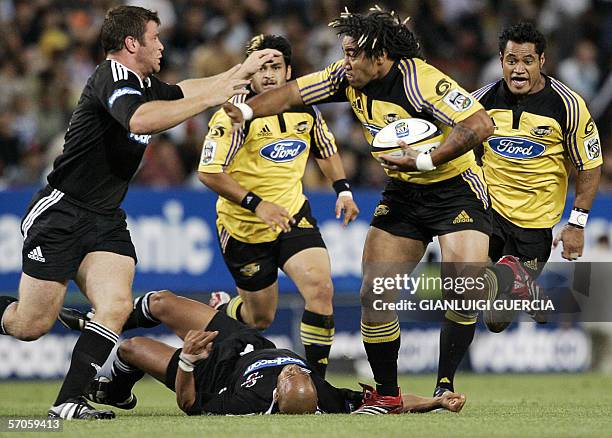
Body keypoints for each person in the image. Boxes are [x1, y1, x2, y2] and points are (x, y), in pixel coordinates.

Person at [223, 7, 536, 414]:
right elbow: (293, 93)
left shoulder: (420, 81)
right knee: (376, 294)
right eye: (345, 52)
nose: (345, 61)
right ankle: (388, 395)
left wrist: (426, 160)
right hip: (404, 192)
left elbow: (479, 124)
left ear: (380, 55)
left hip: (455, 188)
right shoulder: (344, 76)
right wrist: (247, 110)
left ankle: (448, 379)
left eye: (354, 53)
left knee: (461, 287)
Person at [0, 5, 281, 420]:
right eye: (155, 38)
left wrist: (237, 74)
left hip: (105, 216)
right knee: (30, 325)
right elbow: (142, 119)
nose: (162, 46)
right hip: (61, 211)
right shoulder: (112, 78)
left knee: (115, 304)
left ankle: (67, 402)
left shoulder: (142, 83)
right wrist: (216, 95)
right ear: (132, 44)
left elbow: (184, 90)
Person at [198, 34, 359, 378]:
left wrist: (343, 190)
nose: (268, 74)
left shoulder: (305, 108)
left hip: (292, 215)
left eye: (275, 66)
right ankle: (224, 309)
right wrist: (257, 205)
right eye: (261, 67)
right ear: (249, 73)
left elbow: (325, 150)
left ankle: (316, 382)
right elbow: (208, 173)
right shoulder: (235, 114)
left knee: (321, 288)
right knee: (261, 318)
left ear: (288, 71)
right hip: (245, 226)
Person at [61, 291, 467, 415]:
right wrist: (434, 401)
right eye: (300, 375)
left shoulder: (244, 401)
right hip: (245, 340)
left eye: (290, 380)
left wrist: (186, 360)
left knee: (131, 348)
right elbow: (387, 405)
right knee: (161, 302)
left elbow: (189, 405)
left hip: (210, 369)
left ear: (276, 397)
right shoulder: (321, 396)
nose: (294, 374)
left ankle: (111, 387)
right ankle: (102, 321)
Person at [473, 22, 603, 332]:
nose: (519, 69)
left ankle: (515, 276)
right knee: (469, 285)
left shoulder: (568, 106)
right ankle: (446, 380)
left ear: (541, 61)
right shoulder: (479, 102)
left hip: (536, 227)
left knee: (496, 322)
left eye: (527, 61)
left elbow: (589, 164)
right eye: (511, 61)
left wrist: (576, 223)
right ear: (501, 61)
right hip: (490, 214)